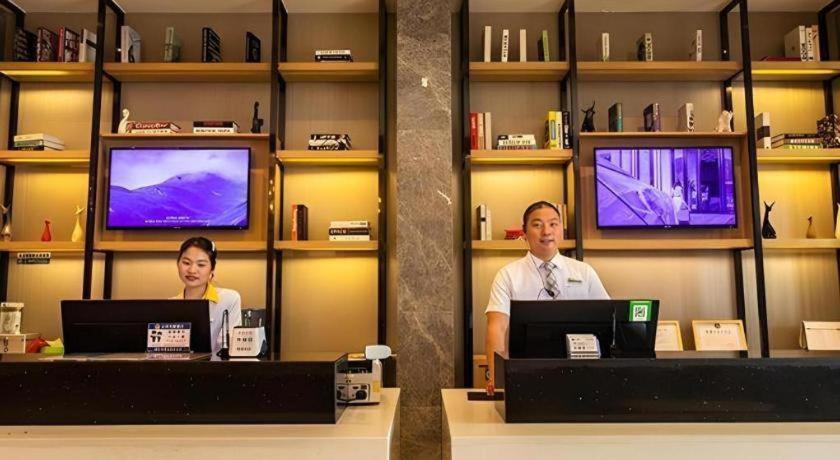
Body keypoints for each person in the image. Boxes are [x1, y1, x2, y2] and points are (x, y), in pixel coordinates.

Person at [484, 201, 609, 393]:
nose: (546, 231)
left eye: (553, 224)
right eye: (537, 225)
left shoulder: (584, 272)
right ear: (524, 233)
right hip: (526, 375)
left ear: (561, 230)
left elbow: (608, 320)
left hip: (582, 373)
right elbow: (497, 327)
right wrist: (496, 377)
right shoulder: (508, 275)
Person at [172, 237, 242, 357]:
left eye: (201, 265)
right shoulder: (170, 305)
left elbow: (228, 349)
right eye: (186, 263)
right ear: (178, 264)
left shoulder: (229, 299)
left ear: (212, 269)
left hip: (217, 367)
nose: (192, 270)